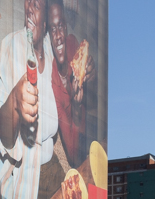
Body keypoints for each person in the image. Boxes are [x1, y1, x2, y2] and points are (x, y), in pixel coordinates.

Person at [0, 0, 58, 199]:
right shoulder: (12, 45)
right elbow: (3, 137)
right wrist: (14, 101)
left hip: (52, 166)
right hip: (25, 181)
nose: (30, 7)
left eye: (38, 4)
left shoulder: (52, 48)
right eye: (28, 2)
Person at [47, 0, 95, 166]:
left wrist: (92, 75)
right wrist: (75, 106)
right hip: (77, 140)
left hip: (89, 128)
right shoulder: (54, 88)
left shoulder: (73, 43)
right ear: (48, 34)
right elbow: (74, 158)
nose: (58, 35)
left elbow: (92, 99)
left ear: (66, 27)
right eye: (53, 29)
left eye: (60, 26)